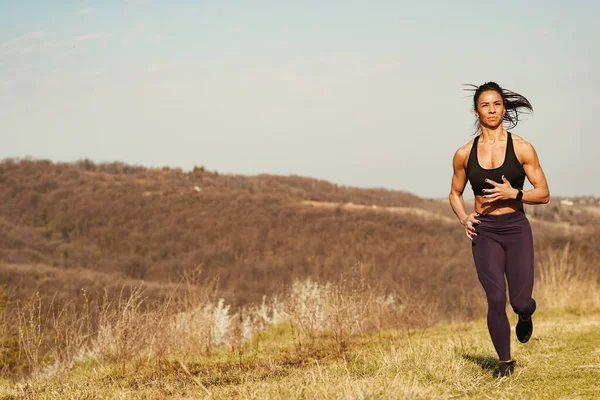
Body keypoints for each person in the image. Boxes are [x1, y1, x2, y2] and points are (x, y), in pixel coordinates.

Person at [448, 81, 550, 377]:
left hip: (516, 228)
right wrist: (464, 217)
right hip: (485, 230)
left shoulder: (521, 148)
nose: (491, 110)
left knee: (519, 300)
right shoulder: (464, 153)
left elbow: (543, 193)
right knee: (495, 297)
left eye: (496, 104)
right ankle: (504, 363)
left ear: (503, 108)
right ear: (476, 111)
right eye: (485, 105)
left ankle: (526, 313)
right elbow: (454, 193)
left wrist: (514, 194)